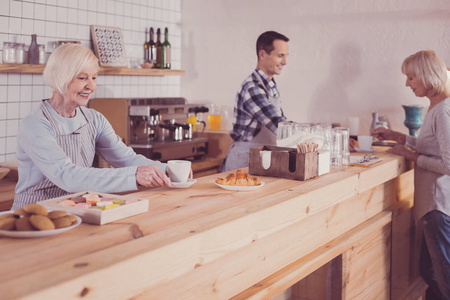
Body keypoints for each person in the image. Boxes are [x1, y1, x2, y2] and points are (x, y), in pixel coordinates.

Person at [12, 44, 172, 210]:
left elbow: (126, 159)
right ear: (61, 78)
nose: (91, 86)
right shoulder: (35, 124)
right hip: (33, 215)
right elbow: (68, 176)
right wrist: (135, 175)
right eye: (82, 78)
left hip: (75, 211)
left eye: (94, 78)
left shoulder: (94, 119)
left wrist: (167, 169)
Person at [372, 50, 450, 300]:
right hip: (433, 207)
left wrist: (413, 157)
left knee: (442, 279)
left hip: (438, 208)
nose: (407, 83)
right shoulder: (437, 105)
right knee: (429, 273)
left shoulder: (444, 110)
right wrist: (399, 137)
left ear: (427, 76)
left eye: (411, 77)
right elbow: (433, 146)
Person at [222, 31, 290, 172]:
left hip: (259, 158)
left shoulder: (270, 86)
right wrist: (313, 136)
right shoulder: (252, 87)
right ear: (262, 54)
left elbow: (282, 122)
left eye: (285, 56)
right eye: (280, 56)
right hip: (244, 161)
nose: (285, 62)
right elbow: (277, 123)